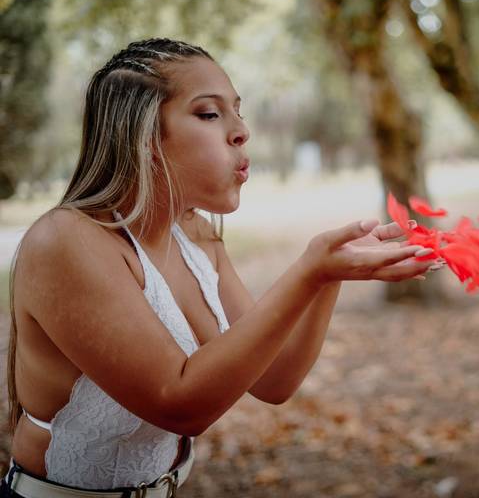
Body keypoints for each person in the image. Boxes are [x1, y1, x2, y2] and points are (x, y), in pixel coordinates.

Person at [1, 38, 440, 497]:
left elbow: (275, 379)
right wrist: (308, 270)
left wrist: (330, 274)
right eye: (210, 113)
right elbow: (179, 405)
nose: (240, 131)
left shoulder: (195, 236)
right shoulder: (66, 241)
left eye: (238, 111)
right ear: (143, 135)